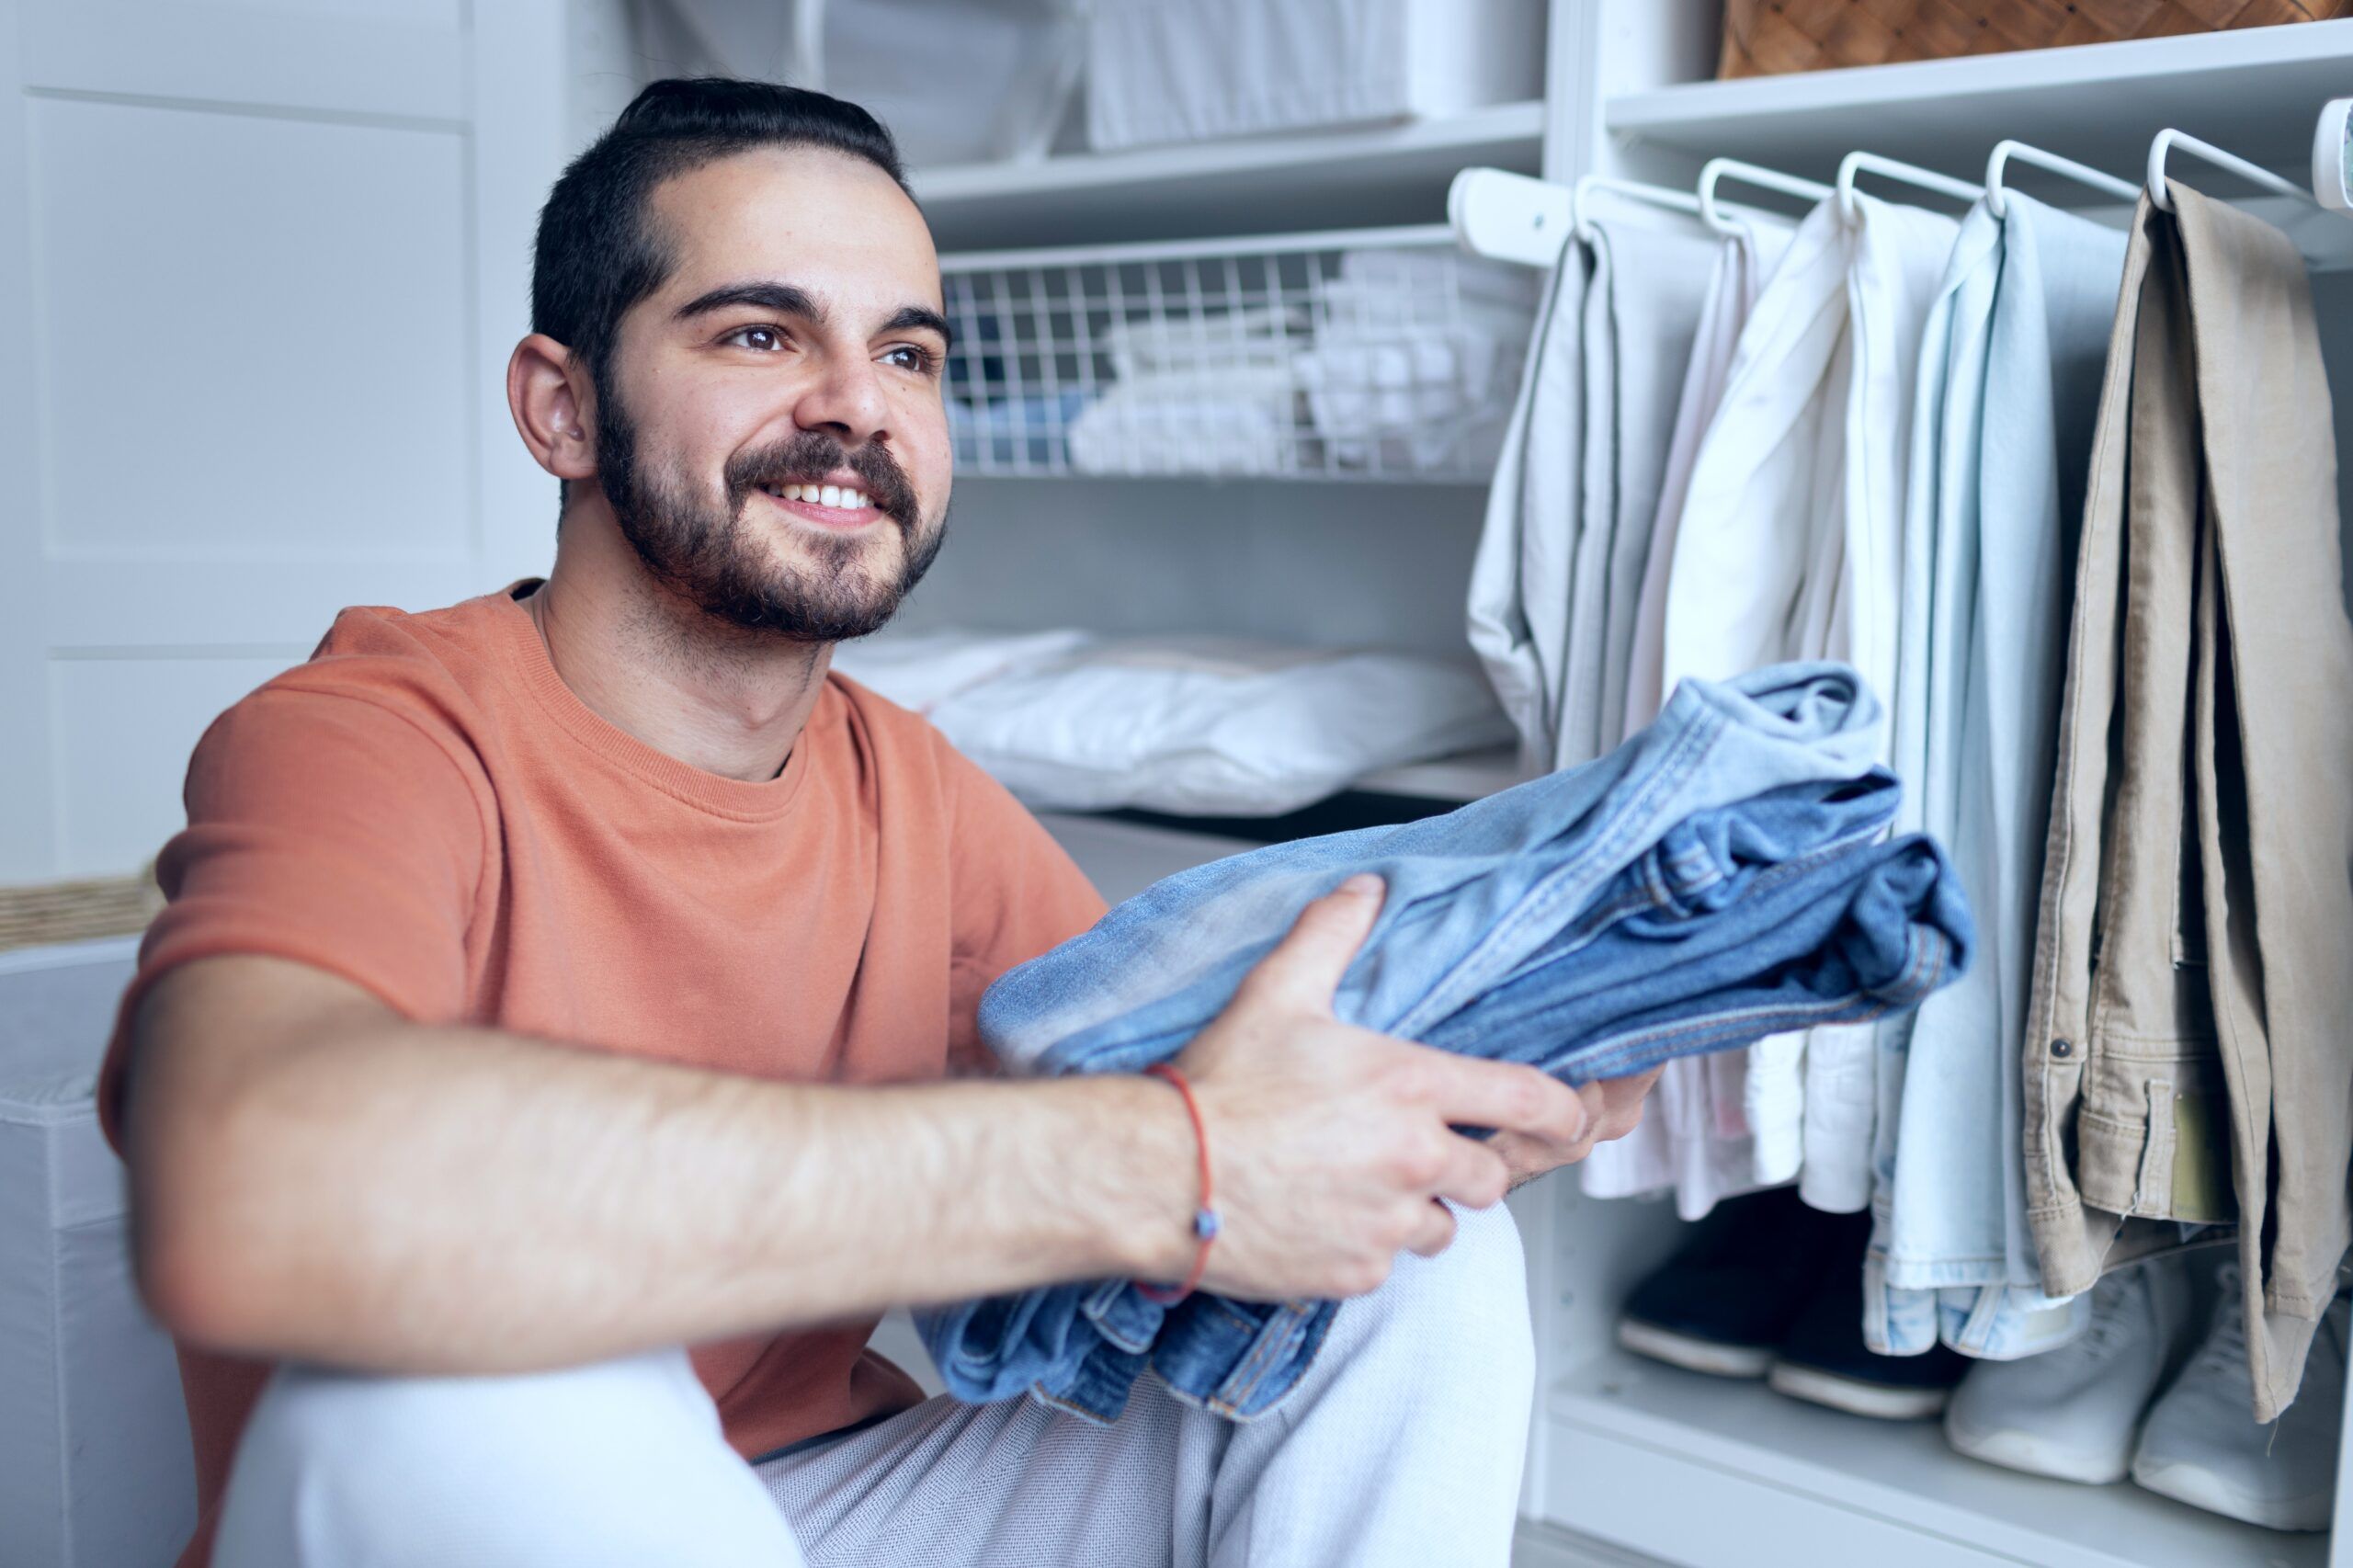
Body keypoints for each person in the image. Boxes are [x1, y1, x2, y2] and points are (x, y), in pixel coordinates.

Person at [105, 78, 1658, 1567]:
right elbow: (248, 1175)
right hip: (473, 1506)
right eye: (764, 331)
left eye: (909, 355)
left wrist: (1398, 1117)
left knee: (1401, 1281)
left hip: (831, 1509)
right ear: (562, 408)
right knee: (523, 1375)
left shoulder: (911, 789)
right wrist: (1170, 1152)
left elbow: (1198, 1119)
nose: (857, 405)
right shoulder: (370, 734)